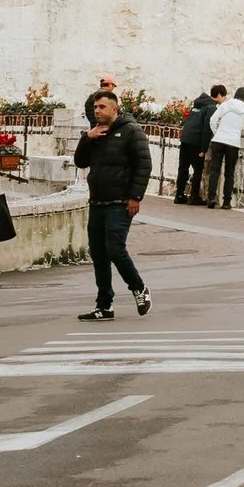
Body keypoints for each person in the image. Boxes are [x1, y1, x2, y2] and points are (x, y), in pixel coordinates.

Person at [74, 89, 154, 319]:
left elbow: (143, 165)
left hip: (120, 202)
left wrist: (135, 197)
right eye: (95, 107)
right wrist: (86, 139)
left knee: (115, 249)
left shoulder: (131, 131)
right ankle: (104, 305)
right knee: (98, 254)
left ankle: (139, 287)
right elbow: (80, 162)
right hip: (97, 201)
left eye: (102, 107)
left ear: (115, 109)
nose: (97, 111)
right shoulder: (95, 134)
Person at [204, 83, 244, 207]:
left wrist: (217, 133)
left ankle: (211, 199)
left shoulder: (225, 105)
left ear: (235, 96)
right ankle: (226, 202)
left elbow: (213, 120)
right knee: (229, 173)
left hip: (218, 141)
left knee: (214, 170)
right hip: (233, 143)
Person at [175, 86, 214, 207]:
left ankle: (179, 195)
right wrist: (203, 148)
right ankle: (194, 196)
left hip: (185, 139)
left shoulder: (195, 106)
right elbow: (207, 129)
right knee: (197, 170)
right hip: (196, 141)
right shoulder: (210, 107)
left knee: (183, 168)